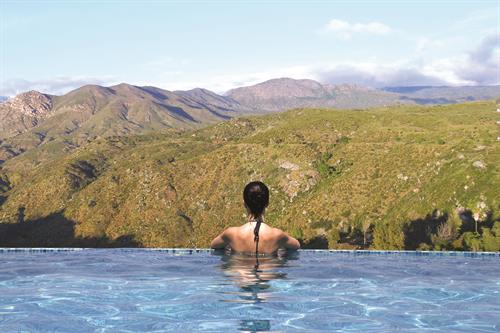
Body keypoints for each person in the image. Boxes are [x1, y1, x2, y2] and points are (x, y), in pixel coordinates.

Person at [210, 181, 300, 254]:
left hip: (240, 275)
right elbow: (296, 246)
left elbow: (214, 245)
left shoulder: (231, 234)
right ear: (267, 204)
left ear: (245, 204)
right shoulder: (277, 235)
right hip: (268, 275)